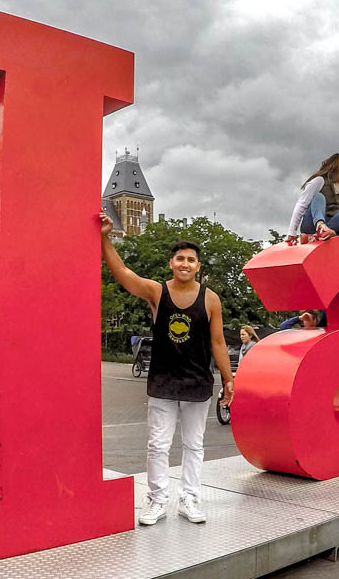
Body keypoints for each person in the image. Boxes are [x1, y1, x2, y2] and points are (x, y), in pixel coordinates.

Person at [100, 210, 234, 526]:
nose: (185, 263)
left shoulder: (211, 299)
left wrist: (228, 380)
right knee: (158, 446)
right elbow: (123, 273)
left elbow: (218, 343)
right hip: (163, 383)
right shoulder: (158, 292)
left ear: (198, 266)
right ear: (171, 264)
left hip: (197, 384)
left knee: (193, 445)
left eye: (191, 259)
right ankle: (157, 500)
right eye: (179, 258)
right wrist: (105, 237)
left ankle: (189, 499)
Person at [285, 153, 339, 245]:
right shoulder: (319, 181)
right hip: (312, 225)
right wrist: (292, 233)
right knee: (319, 197)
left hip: (332, 228)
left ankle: (317, 236)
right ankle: (320, 228)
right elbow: (301, 205)